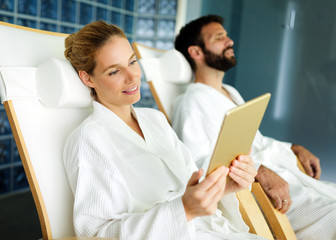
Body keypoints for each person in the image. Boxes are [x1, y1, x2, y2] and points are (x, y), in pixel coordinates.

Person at [62, 20, 264, 240]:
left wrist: (223, 187)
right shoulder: (89, 139)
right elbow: (95, 234)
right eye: (114, 72)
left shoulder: (155, 120)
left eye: (132, 62)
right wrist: (183, 211)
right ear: (87, 78)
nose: (132, 77)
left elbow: (189, 186)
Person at [172, 14, 336, 239]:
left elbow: (257, 140)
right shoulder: (191, 101)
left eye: (227, 36)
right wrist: (258, 170)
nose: (229, 41)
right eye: (219, 37)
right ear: (196, 52)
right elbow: (198, 162)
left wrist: (294, 147)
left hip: (280, 175)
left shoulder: (230, 93)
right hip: (259, 192)